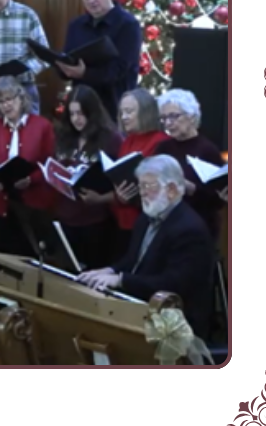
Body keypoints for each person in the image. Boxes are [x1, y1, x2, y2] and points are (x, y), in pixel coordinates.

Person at [78, 155, 216, 341]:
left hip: (175, 323)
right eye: (140, 186)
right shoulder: (145, 218)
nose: (142, 193)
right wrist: (108, 270)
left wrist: (120, 280)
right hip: (141, 306)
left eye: (148, 187)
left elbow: (172, 286)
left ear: (172, 190)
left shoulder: (189, 230)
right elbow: (133, 260)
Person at [0, 76, 55, 257]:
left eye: (10, 99)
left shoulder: (42, 126)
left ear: (21, 98)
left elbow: (50, 164)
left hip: (31, 204)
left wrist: (31, 179)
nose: (6, 105)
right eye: (0, 101)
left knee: (28, 257)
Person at [52, 85, 122, 270]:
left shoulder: (111, 139)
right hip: (66, 216)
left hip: (95, 221)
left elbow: (121, 182)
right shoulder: (65, 136)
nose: (76, 119)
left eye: (81, 113)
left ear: (93, 112)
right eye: (72, 113)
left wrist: (100, 198)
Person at [57, 0, 142, 120]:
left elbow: (119, 70)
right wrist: (63, 68)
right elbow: (69, 60)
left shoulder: (128, 25)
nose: (91, 0)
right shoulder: (76, 26)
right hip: (82, 109)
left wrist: (84, 73)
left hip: (114, 107)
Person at [155, 88, 226, 239]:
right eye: (164, 118)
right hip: (167, 224)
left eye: (174, 116)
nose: (168, 123)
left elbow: (218, 200)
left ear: (192, 117)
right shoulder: (163, 148)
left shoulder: (207, 150)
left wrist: (192, 189)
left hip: (198, 227)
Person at [111, 88, 170, 255]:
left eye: (129, 111)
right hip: (122, 222)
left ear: (146, 111)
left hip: (147, 224)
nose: (124, 117)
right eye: (122, 112)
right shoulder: (128, 141)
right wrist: (119, 195)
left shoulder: (161, 142)